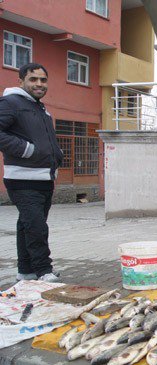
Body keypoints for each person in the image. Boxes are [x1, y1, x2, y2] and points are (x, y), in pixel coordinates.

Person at [0, 63, 63, 282]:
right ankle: (44, 271)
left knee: (27, 225)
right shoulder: (11, 102)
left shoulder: (39, 107)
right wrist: (27, 150)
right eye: (33, 79)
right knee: (37, 227)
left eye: (43, 80)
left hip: (43, 178)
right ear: (21, 81)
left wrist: (57, 155)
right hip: (22, 178)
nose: (39, 84)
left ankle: (25, 271)